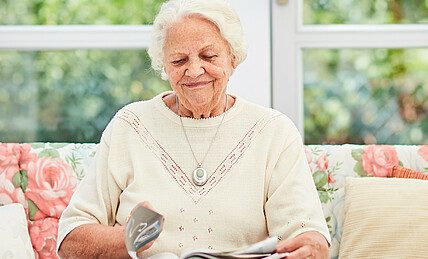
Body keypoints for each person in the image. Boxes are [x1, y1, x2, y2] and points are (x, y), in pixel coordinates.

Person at [57, 0, 331, 258]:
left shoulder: (274, 132)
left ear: (233, 57)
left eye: (208, 56)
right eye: (179, 61)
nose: (194, 70)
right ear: (164, 66)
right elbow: (69, 241)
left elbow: (308, 235)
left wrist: (312, 247)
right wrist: (128, 237)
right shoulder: (130, 125)